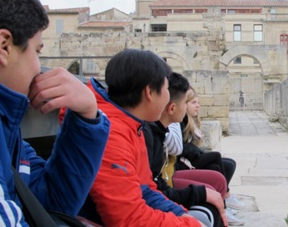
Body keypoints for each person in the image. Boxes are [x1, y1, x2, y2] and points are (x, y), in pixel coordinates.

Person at [0, 0, 110, 225]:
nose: (39, 67)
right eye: (37, 51)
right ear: (4, 46)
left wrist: (87, 117)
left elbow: (47, 203)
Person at [82, 49, 204, 226]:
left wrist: (180, 213)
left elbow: (145, 188)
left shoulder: (133, 126)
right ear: (150, 92)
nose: (169, 97)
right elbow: (128, 219)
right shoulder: (112, 135)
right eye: (166, 89)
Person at [143, 72, 227, 227]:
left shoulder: (154, 132)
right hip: (155, 198)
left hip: (160, 190)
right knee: (208, 208)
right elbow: (149, 191)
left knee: (215, 180)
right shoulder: (147, 134)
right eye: (185, 104)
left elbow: (154, 186)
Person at [178, 88, 245, 213]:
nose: (198, 106)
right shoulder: (181, 121)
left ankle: (221, 199)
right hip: (185, 161)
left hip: (192, 157)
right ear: (184, 104)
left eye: (198, 103)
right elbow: (181, 147)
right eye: (194, 103)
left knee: (229, 164)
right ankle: (226, 197)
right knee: (216, 157)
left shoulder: (191, 121)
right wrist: (197, 150)